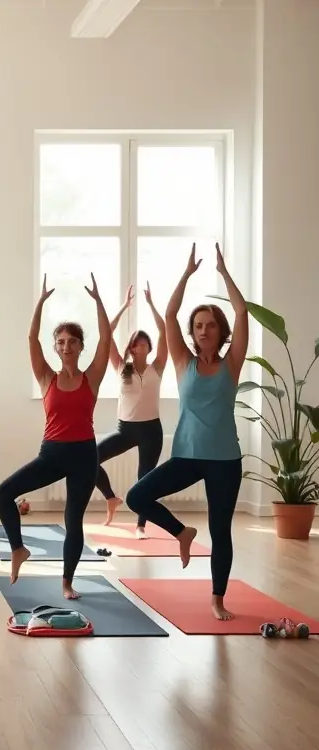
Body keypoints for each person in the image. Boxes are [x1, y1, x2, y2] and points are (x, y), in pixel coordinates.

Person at [125, 244, 246, 621]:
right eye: (199, 326)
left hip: (225, 460)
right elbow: (170, 313)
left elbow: (242, 311)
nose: (204, 330)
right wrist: (186, 274)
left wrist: (224, 274)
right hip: (187, 456)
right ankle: (180, 532)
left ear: (221, 332)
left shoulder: (232, 363)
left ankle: (217, 599)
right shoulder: (182, 362)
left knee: (221, 529)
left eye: (211, 325)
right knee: (137, 496)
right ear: (192, 334)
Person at [0, 274, 111, 599]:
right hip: (52, 453)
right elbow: (31, 338)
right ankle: (18, 549)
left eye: (72, 341)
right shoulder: (47, 377)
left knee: (73, 521)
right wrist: (41, 302)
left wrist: (99, 301)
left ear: (80, 346)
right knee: (4, 493)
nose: (66, 346)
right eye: (60, 341)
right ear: (56, 347)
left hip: (85, 456)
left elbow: (106, 340)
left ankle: (67, 583)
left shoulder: (93, 377)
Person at [95, 283, 168, 534]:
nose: (142, 344)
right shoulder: (121, 367)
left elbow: (164, 331)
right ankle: (111, 497)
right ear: (131, 348)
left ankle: (140, 526)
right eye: (137, 342)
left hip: (151, 430)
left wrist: (151, 305)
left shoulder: (156, 367)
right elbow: (108, 332)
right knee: (90, 459)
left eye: (145, 342)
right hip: (125, 430)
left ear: (149, 347)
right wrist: (125, 307)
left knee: (144, 479)